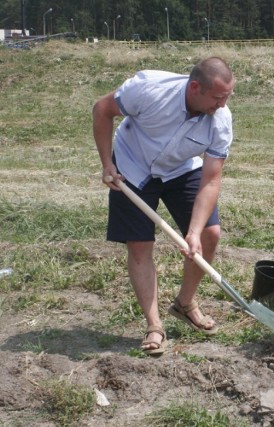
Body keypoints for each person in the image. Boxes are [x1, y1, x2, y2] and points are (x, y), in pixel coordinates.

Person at [93, 57, 235, 355]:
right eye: (217, 97)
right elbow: (102, 110)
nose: (222, 105)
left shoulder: (220, 119)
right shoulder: (149, 89)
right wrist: (107, 164)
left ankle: (184, 303)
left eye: (227, 98)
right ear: (195, 87)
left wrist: (193, 232)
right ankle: (154, 324)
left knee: (210, 234)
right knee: (140, 245)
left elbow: (210, 180)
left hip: (181, 168)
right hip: (132, 167)